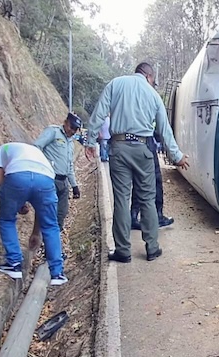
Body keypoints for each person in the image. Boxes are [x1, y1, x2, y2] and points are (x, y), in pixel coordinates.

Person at [85, 62, 190, 262]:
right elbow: (164, 129)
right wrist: (177, 157)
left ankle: (123, 251)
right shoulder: (153, 95)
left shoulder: (115, 84)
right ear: (149, 76)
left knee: (122, 200)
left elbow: (98, 114)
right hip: (143, 150)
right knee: (147, 200)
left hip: (119, 148)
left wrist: (90, 141)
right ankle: (152, 248)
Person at [0, 142, 67, 285]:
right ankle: (57, 273)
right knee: (51, 225)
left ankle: (14, 263)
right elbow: (40, 207)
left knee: (7, 220)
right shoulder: (35, 152)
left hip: (18, 176)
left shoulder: (1, 150)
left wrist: (13, 201)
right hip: (46, 178)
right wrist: (36, 232)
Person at [34, 112, 82, 231]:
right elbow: (37, 147)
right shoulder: (53, 132)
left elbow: (69, 165)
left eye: (76, 129)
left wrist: (74, 185)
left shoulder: (71, 142)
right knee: (47, 212)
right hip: (50, 179)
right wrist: (41, 168)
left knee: (61, 213)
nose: (73, 131)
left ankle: (53, 242)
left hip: (64, 182)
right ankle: (42, 240)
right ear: (65, 123)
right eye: (72, 127)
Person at [131, 129, 174, 230]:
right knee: (155, 180)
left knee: (138, 180)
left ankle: (133, 215)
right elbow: (161, 129)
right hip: (146, 141)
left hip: (129, 142)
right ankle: (157, 215)